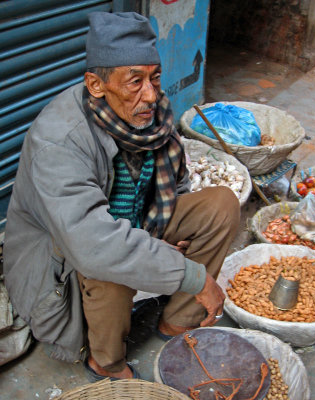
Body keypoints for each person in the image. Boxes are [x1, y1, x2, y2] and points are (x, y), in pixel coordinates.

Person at [3, 11, 240, 381]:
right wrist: (193, 276)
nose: (151, 94)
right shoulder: (60, 138)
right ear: (96, 85)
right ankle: (106, 361)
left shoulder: (149, 108)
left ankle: (177, 321)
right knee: (108, 262)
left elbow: (174, 182)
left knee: (221, 205)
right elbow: (93, 244)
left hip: (133, 222)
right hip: (59, 260)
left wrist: (168, 239)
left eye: (154, 77)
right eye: (135, 82)